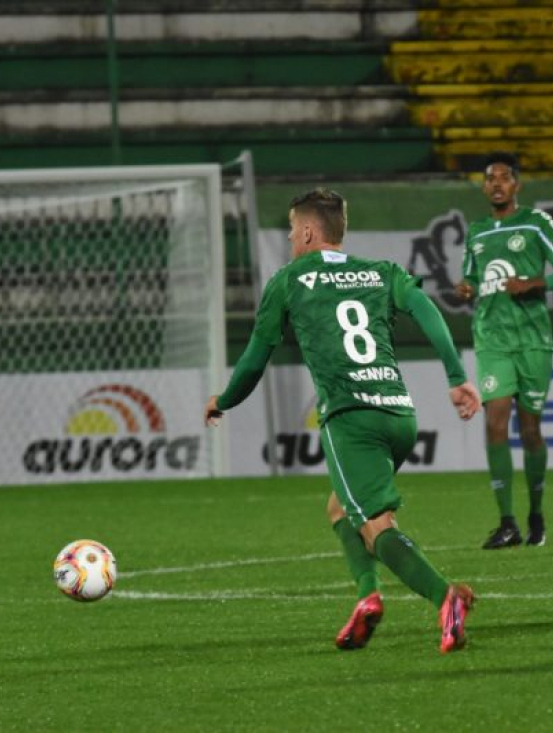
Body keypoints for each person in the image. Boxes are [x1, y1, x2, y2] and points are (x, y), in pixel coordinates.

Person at [205, 188, 482, 653]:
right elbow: (427, 310)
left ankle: (445, 596)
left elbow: (255, 360)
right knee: (340, 509)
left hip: (351, 418)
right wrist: (456, 376)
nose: (292, 237)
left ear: (309, 231)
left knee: (375, 525)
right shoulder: (380, 272)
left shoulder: (289, 280)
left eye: (293, 229)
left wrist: (224, 399)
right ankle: (366, 597)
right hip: (399, 414)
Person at [456, 151, 553, 549]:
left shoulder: (535, 223)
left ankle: (535, 513)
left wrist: (533, 283)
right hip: (491, 339)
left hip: (533, 340)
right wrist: (467, 287)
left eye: (504, 178)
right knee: (495, 422)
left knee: (530, 428)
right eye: (490, 178)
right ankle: (506, 521)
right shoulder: (476, 231)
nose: (496, 184)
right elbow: (471, 276)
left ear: (517, 185)